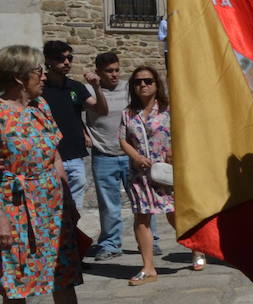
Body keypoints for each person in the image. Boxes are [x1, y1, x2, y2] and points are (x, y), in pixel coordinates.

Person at [0, 46, 97, 304]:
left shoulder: (41, 105)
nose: (44, 75)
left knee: (64, 275)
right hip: (13, 203)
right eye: (37, 70)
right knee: (15, 280)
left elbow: (55, 153)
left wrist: (68, 201)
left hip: (51, 202)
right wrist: (1, 217)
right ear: (18, 77)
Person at [118, 67, 177, 286]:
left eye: (148, 81)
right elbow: (123, 139)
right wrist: (134, 156)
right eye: (137, 82)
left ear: (156, 84)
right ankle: (148, 267)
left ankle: (196, 247)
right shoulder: (128, 113)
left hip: (165, 172)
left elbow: (181, 133)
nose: (143, 85)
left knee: (175, 215)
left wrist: (173, 149)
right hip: (140, 175)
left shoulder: (168, 110)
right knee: (141, 217)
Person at [42, 40, 108, 212]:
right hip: (49, 157)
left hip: (75, 155)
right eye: (60, 59)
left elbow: (100, 109)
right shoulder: (39, 88)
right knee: (52, 206)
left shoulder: (76, 87)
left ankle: (72, 238)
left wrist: (97, 87)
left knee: (75, 209)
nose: (66, 62)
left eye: (69, 58)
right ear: (48, 60)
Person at [85, 51, 135, 259]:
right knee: (109, 205)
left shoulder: (129, 88)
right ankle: (111, 244)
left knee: (141, 201)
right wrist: (85, 136)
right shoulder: (88, 91)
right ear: (98, 72)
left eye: (116, 70)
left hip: (130, 154)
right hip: (104, 154)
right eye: (109, 71)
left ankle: (151, 241)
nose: (114, 74)